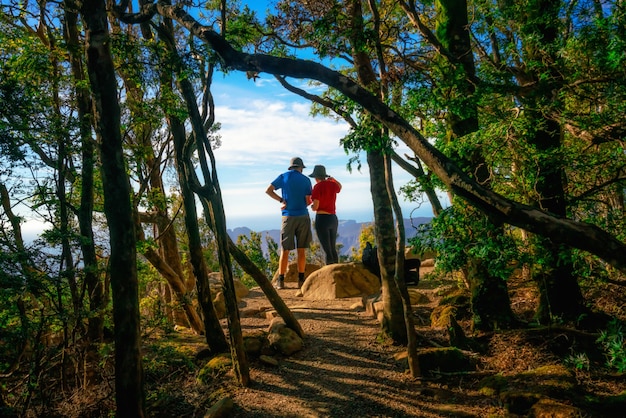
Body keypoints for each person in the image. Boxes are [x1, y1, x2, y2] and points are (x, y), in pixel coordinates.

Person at [265, 157, 313, 289]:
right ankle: (301, 281)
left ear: (291, 167)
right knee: (301, 250)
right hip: (303, 216)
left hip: (287, 217)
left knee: (285, 250)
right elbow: (308, 201)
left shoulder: (283, 177)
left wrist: (282, 200)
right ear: (301, 168)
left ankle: (280, 281)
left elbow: (268, 190)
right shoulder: (306, 180)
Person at [309, 165, 342, 265]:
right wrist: (334, 180)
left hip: (322, 219)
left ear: (316, 177)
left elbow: (316, 206)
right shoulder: (332, 185)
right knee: (332, 247)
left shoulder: (317, 187)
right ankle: (337, 269)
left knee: (327, 250)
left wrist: (312, 207)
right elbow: (340, 187)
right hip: (333, 218)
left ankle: (330, 273)